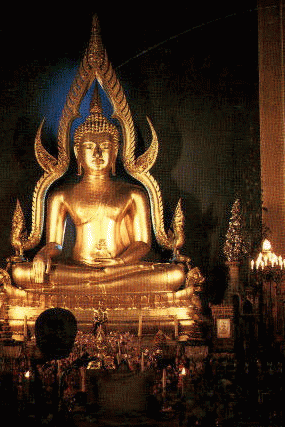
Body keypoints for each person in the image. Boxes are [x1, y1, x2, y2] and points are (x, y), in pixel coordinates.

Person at [11, 89, 186, 295]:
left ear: (116, 151)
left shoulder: (134, 194)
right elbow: (55, 244)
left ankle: (95, 285)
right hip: (78, 269)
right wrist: (43, 254)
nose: (97, 153)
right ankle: (99, 284)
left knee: (175, 274)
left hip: (120, 270)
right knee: (21, 273)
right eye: (89, 146)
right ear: (77, 152)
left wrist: (119, 262)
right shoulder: (61, 195)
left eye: (104, 146)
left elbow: (142, 243)